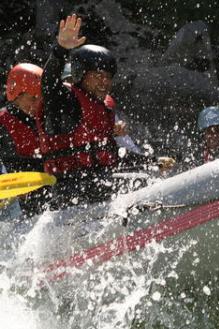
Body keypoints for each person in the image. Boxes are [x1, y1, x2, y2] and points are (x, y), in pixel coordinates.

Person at [38, 14, 173, 206]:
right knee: (137, 183)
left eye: (108, 77)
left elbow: (113, 154)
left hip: (97, 182)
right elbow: (49, 85)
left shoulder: (103, 109)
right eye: (97, 76)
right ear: (81, 75)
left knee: (143, 177)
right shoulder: (65, 103)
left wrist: (152, 161)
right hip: (70, 189)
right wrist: (60, 51)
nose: (105, 82)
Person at [0, 63, 50, 216]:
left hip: (43, 193)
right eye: (33, 98)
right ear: (16, 94)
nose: (37, 105)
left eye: (40, 99)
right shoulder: (2, 121)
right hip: (14, 202)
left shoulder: (42, 119)